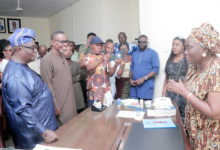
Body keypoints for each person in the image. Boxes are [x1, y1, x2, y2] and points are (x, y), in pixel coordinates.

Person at [2, 28, 58, 149]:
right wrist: (45, 132)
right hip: (36, 138)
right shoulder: (16, 75)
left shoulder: (22, 66)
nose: (35, 51)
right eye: (32, 48)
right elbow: (23, 109)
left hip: (41, 134)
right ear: (19, 50)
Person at [167, 23, 220, 149]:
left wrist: (184, 92)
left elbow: (215, 113)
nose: (185, 52)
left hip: (209, 139)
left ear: (205, 49)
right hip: (193, 133)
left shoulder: (216, 69)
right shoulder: (193, 66)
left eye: (189, 48)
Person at [40, 31, 77, 127]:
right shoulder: (46, 60)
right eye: (62, 42)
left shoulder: (62, 56)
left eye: (66, 41)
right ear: (53, 42)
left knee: (74, 127)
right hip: (60, 104)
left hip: (70, 101)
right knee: (64, 131)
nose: (65, 44)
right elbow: (47, 85)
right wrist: (55, 106)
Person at [84, 37, 117, 107]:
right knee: (93, 115)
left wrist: (116, 65)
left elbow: (110, 73)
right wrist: (101, 60)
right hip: (94, 93)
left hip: (106, 92)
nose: (99, 47)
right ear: (91, 45)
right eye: (97, 45)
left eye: (101, 45)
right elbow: (88, 67)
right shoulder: (87, 57)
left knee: (107, 115)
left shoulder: (105, 57)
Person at [162, 37, 189, 121]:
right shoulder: (170, 59)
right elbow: (167, 77)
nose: (174, 47)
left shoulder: (188, 59)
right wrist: (163, 94)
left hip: (183, 94)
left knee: (183, 119)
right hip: (170, 93)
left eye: (177, 45)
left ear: (183, 46)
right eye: (173, 45)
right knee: (170, 117)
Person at [130, 35, 160, 100]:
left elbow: (156, 69)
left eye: (143, 41)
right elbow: (131, 68)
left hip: (146, 87)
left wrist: (144, 78)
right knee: (133, 107)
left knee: (145, 108)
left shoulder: (153, 53)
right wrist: (130, 79)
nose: (141, 43)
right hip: (134, 87)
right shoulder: (134, 53)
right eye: (140, 41)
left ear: (147, 42)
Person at [64, 44, 86, 114]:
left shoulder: (76, 64)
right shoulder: (60, 65)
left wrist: (82, 67)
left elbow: (82, 77)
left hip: (77, 92)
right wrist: (76, 77)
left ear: (72, 52)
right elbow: (65, 79)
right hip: (66, 92)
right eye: (65, 50)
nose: (68, 52)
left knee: (79, 113)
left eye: (70, 50)